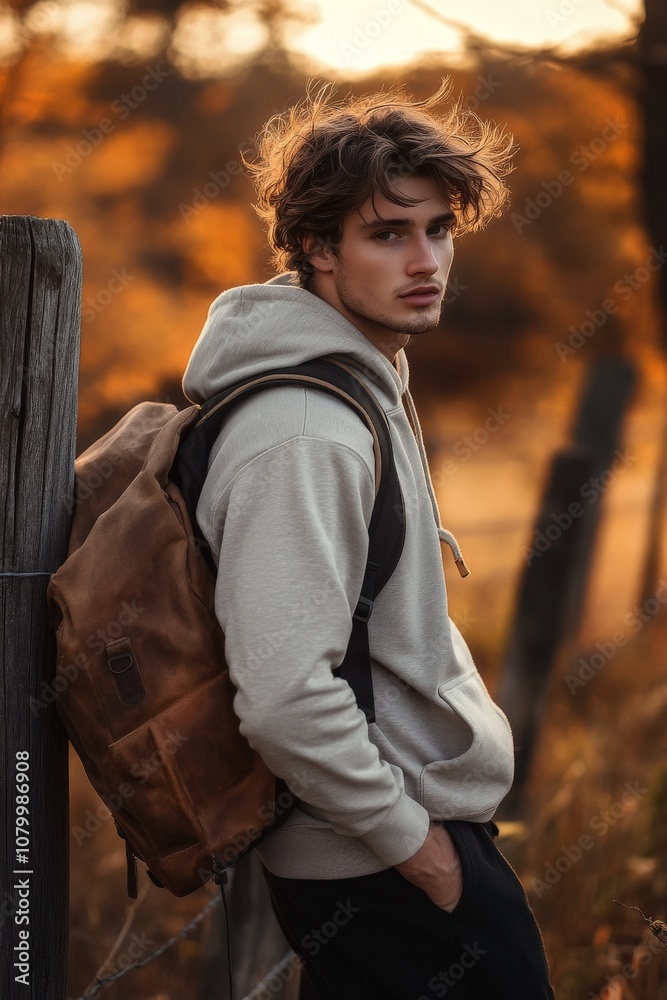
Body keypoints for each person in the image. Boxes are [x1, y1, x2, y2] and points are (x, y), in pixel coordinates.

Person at [182, 83, 555, 1000]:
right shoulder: (306, 428)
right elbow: (282, 692)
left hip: (387, 841)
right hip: (379, 856)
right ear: (316, 248)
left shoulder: (362, 376)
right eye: (388, 235)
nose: (425, 260)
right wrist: (418, 850)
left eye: (437, 229)